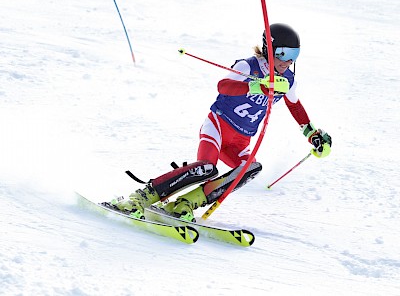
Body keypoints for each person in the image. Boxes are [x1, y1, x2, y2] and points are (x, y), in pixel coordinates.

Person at [111, 23, 332, 222]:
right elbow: (223, 86)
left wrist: (311, 134)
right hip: (218, 127)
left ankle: (185, 204)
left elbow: (294, 105)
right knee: (206, 168)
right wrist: (256, 86)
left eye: (295, 54)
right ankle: (139, 198)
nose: (288, 61)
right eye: (283, 53)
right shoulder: (249, 67)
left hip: (240, 141)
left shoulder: (287, 80)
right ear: (269, 49)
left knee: (249, 168)